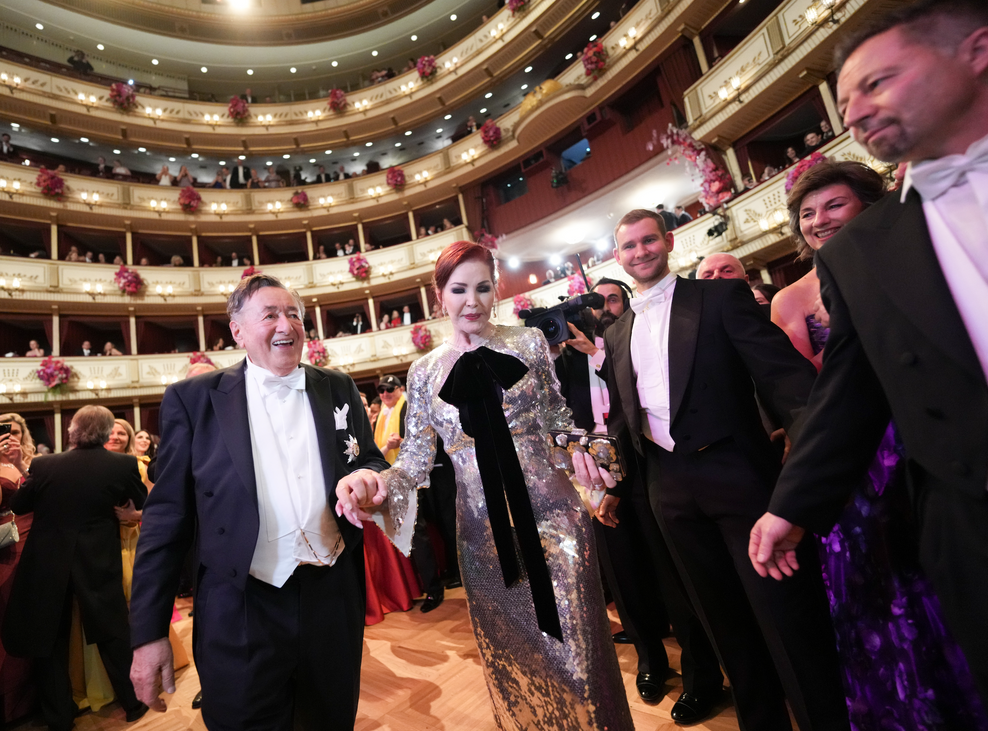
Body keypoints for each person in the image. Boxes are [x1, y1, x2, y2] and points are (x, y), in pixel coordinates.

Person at [750, 0, 988, 708]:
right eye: (845, 99)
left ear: (975, 52)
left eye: (877, 82)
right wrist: (792, 504)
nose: (854, 111)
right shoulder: (862, 249)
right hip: (972, 527)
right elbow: (851, 386)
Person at [336, 241, 634, 730]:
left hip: (556, 522)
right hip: (482, 540)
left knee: (581, 660)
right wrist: (378, 485)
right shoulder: (424, 372)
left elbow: (556, 421)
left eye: (481, 287)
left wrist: (584, 449)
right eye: (459, 289)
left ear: (495, 289)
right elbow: (413, 462)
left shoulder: (529, 344)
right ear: (440, 297)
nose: (471, 301)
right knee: (512, 669)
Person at [586, 209, 848, 731]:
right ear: (617, 257)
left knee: (785, 615)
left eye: (648, 241)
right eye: (629, 246)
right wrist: (614, 485)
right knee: (721, 620)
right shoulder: (615, 336)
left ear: (668, 242)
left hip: (740, 477)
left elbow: (787, 381)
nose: (640, 252)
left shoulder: (718, 298)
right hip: (669, 490)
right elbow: (625, 420)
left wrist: (810, 467)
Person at [767, 159, 988, 728]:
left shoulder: (907, 247)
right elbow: (840, 383)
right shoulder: (801, 291)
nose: (820, 220)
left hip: (920, 435)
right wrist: (794, 498)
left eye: (834, 205)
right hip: (849, 447)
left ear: (871, 204)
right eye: (808, 213)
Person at [128, 274, 389, 730]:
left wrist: (367, 477)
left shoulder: (339, 387)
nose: (286, 323)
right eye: (270, 314)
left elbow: (366, 460)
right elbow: (165, 519)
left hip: (331, 601)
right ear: (238, 331)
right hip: (239, 607)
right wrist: (149, 633)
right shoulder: (193, 401)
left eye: (293, 314)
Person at [554, 278, 725, 719]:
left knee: (673, 576)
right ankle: (650, 661)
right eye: (593, 304)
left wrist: (598, 354)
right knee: (624, 575)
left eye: (610, 299)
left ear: (625, 304)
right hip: (596, 476)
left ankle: (701, 675)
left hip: (648, 467)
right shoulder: (567, 363)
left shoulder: (633, 342)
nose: (599, 311)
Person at [1, 406, 148, 731]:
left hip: (46, 563)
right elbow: (142, 503)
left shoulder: (45, 464)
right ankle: (133, 704)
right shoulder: (123, 464)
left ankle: (59, 718)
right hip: (98, 561)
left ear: (73, 431)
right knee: (113, 634)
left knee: (50, 641)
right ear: (107, 431)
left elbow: (20, 505)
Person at [371, 374, 442, 614]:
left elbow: (421, 440)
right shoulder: (382, 413)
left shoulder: (407, 408)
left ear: (400, 389)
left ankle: (434, 589)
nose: (384, 394)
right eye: (381, 390)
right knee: (407, 536)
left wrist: (402, 443)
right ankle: (422, 586)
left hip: (408, 478)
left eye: (389, 389)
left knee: (417, 533)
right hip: (389, 480)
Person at [0, 414, 36, 724]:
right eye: (3, 431)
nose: (9, 435)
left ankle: (33, 695)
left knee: (31, 614)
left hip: (33, 539)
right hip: (4, 547)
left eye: (15, 431)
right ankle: (10, 699)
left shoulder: (34, 462)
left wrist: (21, 464)